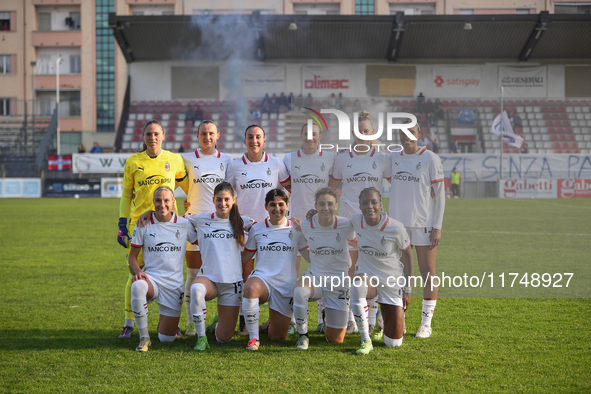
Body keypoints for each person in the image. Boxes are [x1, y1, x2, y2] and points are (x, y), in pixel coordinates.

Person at [116, 119, 187, 339]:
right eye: (148, 134)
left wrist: (190, 207)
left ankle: (169, 322)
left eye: (156, 134)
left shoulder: (174, 159)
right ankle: (129, 323)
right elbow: (127, 194)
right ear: (143, 137)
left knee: (169, 267)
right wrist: (121, 222)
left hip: (166, 224)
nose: (152, 138)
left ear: (163, 135)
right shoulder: (133, 161)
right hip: (140, 223)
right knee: (136, 272)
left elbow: (187, 186)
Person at [328, 110, 390, 335]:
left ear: (372, 132)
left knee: (372, 269)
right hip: (347, 219)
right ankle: (351, 318)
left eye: (367, 131)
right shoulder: (342, 158)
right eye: (359, 131)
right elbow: (332, 188)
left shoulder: (382, 158)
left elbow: (399, 184)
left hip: (373, 221)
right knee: (350, 269)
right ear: (353, 132)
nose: (363, 135)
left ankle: (372, 319)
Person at [225, 124, 291, 334]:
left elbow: (288, 190)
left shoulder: (276, 163)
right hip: (244, 230)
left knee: (273, 274)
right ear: (244, 141)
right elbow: (227, 197)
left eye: (258, 137)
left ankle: (275, 319)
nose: (254, 141)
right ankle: (245, 320)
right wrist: (236, 223)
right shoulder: (235, 166)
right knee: (245, 274)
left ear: (264, 140)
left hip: (270, 231)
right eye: (250, 137)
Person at [385, 119, 445, 338]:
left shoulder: (430, 158)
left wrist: (437, 227)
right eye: (402, 132)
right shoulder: (392, 158)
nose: (406, 136)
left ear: (418, 134)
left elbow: (441, 196)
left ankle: (426, 323)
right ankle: (399, 320)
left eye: (411, 132)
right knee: (399, 272)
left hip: (424, 224)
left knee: (427, 271)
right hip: (398, 226)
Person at [128, 186, 198, 352]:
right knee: (138, 285)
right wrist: (138, 271)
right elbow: (131, 256)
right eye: (158, 201)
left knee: (166, 339)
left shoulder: (183, 224)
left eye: (166, 200)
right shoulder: (143, 223)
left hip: (174, 285)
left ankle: (164, 325)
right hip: (151, 279)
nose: (162, 204)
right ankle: (144, 338)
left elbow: (201, 241)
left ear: (173, 202)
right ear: (153, 203)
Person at [186, 182, 255, 350]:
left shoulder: (242, 221)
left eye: (226, 200)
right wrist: (195, 239)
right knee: (195, 289)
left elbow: (261, 229)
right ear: (213, 200)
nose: (222, 204)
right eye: (219, 200)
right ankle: (201, 338)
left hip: (232, 283)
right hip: (208, 278)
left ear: (233, 200)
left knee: (223, 339)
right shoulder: (202, 219)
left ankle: (218, 322)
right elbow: (178, 221)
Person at [181, 120, 232, 335]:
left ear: (218, 135)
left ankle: (221, 321)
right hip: (194, 223)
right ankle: (192, 324)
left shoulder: (228, 161)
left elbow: (230, 194)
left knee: (223, 275)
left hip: (220, 225)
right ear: (197, 135)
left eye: (211, 133)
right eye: (203, 133)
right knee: (192, 274)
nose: (207, 137)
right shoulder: (186, 159)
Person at [241, 189, 309, 350]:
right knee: (250, 288)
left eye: (281, 204)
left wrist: (310, 230)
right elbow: (244, 258)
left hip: (286, 285)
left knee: (277, 337)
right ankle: (253, 338)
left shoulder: (297, 229)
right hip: (262, 279)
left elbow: (310, 258)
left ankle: (266, 326)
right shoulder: (257, 229)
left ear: (287, 206)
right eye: (272, 205)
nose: (277, 209)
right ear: (266, 206)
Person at [283, 122, 335, 334]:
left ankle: (322, 318)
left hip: (321, 224)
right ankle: (294, 319)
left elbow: (334, 186)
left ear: (320, 136)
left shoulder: (330, 158)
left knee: (323, 270)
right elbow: (285, 186)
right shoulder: (288, 158)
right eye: (306, 133)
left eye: (314, 134)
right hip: (295, 224)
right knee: (292, 273)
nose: (310, 137)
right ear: (301, 135)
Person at [351, 187, 414, 354]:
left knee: (394, 343)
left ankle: (382, 316)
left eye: (374, 202)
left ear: (381, 205)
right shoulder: (356, 220)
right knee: (357, 286)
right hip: (367, 276)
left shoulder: (396, 227)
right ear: (360, 206)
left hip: (391, 281)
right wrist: (311, 217)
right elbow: (329, 220)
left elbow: (408, 255)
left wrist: (407, 289)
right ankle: (366, 340)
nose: (369, 206)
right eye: (365, 203)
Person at [293, 188, 357, 350]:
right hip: (315, 277)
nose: (326, 208)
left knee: (335, 340)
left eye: (330, 204)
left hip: (339, 282)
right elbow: (297, 230)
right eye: (322, 204)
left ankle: (327, 314)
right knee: (300, 292)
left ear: (336, 205)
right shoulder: (307, 224)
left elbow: (357, 243)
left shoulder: (346, 224)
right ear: (316, 205)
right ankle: (303, 336)